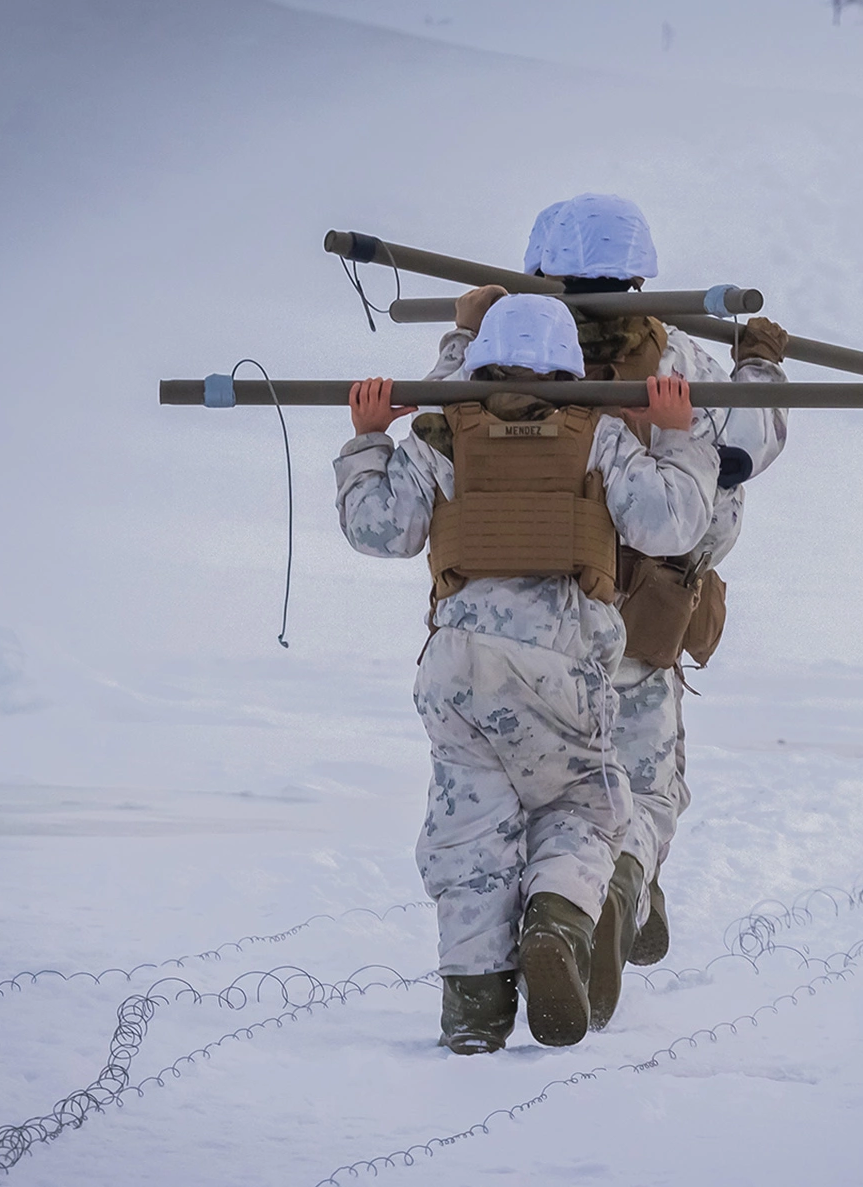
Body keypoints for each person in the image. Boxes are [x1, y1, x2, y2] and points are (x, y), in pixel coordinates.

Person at [425, 194, 789, 1030]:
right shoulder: (683, 357)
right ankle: (619, 886)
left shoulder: (498, 362)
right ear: (638, 276)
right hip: (641, 616)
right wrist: (760, 368)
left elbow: (435, 421)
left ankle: (495, 977)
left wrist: (466, 330)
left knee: (498, 814)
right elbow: (748, 444)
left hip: (516, 617)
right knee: (641, 793)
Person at [333, 293, 718, 1053]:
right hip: (559, 664)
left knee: (470, 833)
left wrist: (368, 439)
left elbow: (379, 528)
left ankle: (474, 1012)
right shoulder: (600, 434)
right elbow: (669, 523)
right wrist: (678, 441)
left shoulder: (442, 432)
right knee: (585, 805)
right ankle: (557, 918)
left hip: (458, 668)